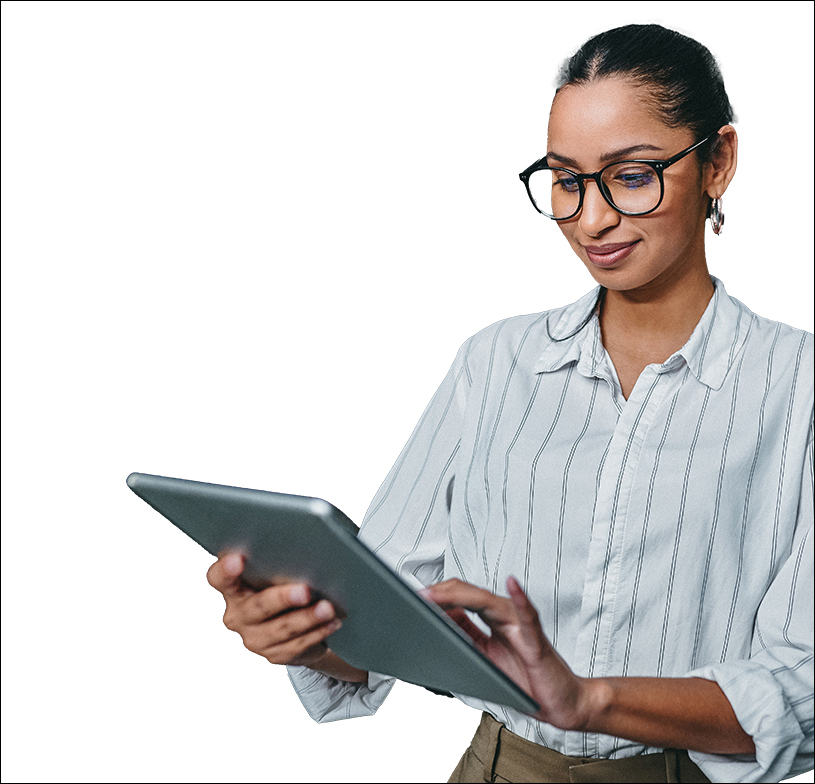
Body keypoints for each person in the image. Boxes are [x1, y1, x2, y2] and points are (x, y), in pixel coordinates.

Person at [206, 24, 813, 784]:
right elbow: (392, 616)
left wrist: (589, 700)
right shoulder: (496, 364)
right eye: (565, 180)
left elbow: (802, 687)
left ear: (717, 160)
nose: (590, 220)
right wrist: (305, 631)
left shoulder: (798, 389)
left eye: (630, 176)